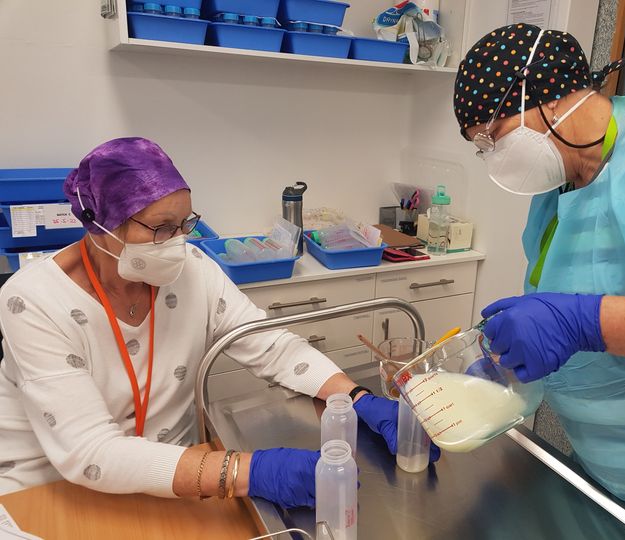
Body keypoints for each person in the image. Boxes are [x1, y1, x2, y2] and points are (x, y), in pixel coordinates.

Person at [0, 137, 437, 505]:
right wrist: (248, 470)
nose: (178, 242)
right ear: (100, 226)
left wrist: (356, 398)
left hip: (175, 476)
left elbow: (269, 345)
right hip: (55, 489)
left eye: (184, 223)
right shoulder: (33, 301)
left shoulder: (189, 267)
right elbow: (89, 451)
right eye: (160, 228)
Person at [454, 24, 625, 540]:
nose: (491, 157)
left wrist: (582, 321)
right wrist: (512, 372)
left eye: (493, 135)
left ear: (546, 98)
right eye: (479, 147)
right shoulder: (559, 187)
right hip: (612, 490)